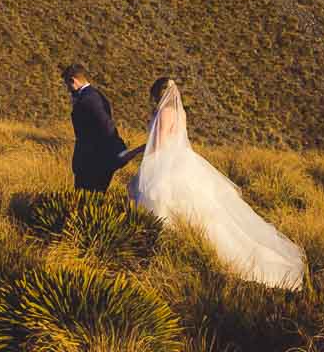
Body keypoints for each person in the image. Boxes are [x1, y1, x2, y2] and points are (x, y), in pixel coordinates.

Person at [129, 76, 306, 289]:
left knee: (160, 200)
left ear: (157, 94)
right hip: (182, 163)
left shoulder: (165, 112)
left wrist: (140, 160)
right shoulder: (180, 112)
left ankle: (161, 249)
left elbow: (158, 145)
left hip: (165, 166)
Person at [64, 62, 133, 192]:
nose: (67, 89)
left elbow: (106, 126)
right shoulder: (94, 95)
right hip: (93, 159)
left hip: (93, 161)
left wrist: (117, 150)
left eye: (67, 85)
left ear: (73, 80)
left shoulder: (89, 99)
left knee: (87, 197)